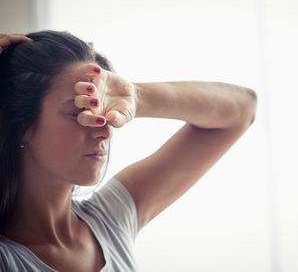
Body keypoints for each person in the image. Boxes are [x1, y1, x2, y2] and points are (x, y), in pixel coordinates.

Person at [0, 31, 257, 271]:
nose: (105, 129)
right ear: (19, 121)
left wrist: (137, 97)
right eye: (80, 111)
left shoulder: (110, 218)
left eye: (102, 109)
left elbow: (243, 109)